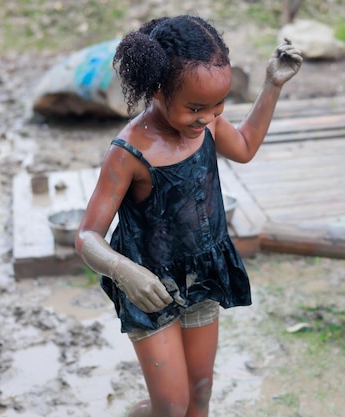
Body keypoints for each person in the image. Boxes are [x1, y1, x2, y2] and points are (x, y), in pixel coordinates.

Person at [75, 15, 302, 417]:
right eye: (195, 107)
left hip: (203, 275)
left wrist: (272, 84)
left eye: (218, 105)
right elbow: (87, 236)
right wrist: (124, 271)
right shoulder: (129, 152)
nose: (207, 117)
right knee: (172, 406)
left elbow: (246, 146)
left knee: (200, 392)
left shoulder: (208, 124)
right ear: (158, 90)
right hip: (150, 288)